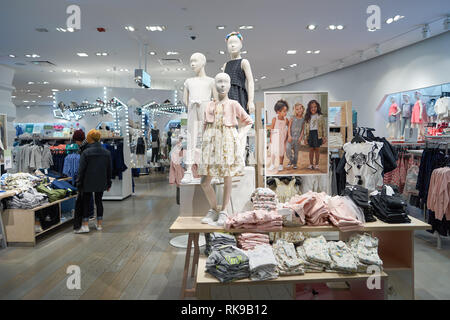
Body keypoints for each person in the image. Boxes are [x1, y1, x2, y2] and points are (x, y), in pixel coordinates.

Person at [75, 129, 112, 233]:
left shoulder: (86, 152)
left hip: (87, 181)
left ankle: (85, 225)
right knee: (99, 201)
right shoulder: (107, 152)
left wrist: (78, 182)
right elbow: (109, 169)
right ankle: (99, 225)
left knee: (86, 202)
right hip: (101, 181)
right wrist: (109, 183)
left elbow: (81, 170)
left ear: (89, 139)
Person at [303, 100, 327, 170]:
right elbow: (305, 128)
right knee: (311, 149)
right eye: (311, 107)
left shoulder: (320, 116)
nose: (313, 109)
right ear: (309, 108)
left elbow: (323, 127)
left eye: (315, 107)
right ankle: (311, 164)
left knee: (317, 149)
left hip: (317, 134)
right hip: (310, 134)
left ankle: (316, 164)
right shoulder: (307, 116)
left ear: (317, 107)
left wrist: (324, 137)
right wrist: (305, 138)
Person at [268, 100, 289, 172]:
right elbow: (272, 129)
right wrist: (271, 138)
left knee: (282, 152)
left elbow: (289, 127)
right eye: (284, 111)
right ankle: (272, 164)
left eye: (286, 111)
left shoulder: (286, 120)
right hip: (275, 138)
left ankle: (280, 164)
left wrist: (288, 136)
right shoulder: (275, 119)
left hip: (283, 138)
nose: (285, 113)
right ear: (278, 112)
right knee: (273, 152)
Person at [286, 103, 305, 170]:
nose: (299, 110)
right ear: (295, 110)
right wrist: (289, 136)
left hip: (298, 138)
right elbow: (289, 127)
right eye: (297, 109)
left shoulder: (303, 119)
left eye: (300, 108)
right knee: (287, 149)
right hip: (291, 137)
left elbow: (303, 129)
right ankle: (291, 160)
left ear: (302, 109)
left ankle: (295, 164)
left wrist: (301, 137)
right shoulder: (292, 117)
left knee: (296, 152)